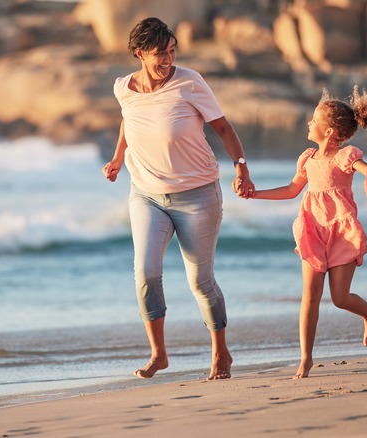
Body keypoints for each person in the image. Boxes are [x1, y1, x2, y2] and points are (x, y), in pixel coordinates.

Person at [102, 17, 254, 381]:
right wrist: (119, 156)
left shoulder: (190, 82)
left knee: (200, 281)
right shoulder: (124, 87)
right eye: (159, 53)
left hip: (198, 194)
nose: (167, 59)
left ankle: (221, 353)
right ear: (139, 53)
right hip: (146, 194)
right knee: (145, 273)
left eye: (172, 51)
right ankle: (159, 354)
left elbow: (223, 127)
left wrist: (242, 168)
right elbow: (129, 119)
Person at [247, 86, 367, 378]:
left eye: (314, 120)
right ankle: (305, 358)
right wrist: (255, 194)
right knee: (309, 295)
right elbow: (292, 190)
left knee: (340, 298)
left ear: (330, 131)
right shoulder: (307, 158)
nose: (309, 123)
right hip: (313, 229)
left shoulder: (344, 156)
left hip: (342, 231)